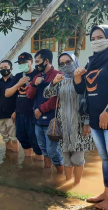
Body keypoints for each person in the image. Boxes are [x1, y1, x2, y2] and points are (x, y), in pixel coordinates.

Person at [44, 52, 94, 185]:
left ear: (75, 61)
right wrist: (53, 82)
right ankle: (67, 184)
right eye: (61, 64)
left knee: (78, 158)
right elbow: (46, 94)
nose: (65, 65)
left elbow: (89, 101)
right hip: (63, 124)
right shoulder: (60, 81)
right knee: (65, 158)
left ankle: (76, 185)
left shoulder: (84, 79)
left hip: (79, 123)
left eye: (68, 62)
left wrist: (87, 122)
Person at [74, 25, 108, 209]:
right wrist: (78, 77)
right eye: (93, 38)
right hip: (96, 119)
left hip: (107, 117)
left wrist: (107, 111)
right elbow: (81, 90)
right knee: (105, 158)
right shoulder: (91, 62)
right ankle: (106, 193)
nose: (96, 41)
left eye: (100, 37)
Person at [26, 49, 64, 173]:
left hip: (52, 120)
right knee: (43, 148)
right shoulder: (37, 76)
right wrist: (34, 85)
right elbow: (29, 96)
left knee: (53, 150)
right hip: (38, 120)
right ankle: (47, 175)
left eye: (37, 61)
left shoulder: (57, 75)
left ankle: (61, 176)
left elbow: (57, 98)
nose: (36, 64)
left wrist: (41, 109)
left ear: (46, 61)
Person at [5, 52, 43, 159]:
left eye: (24, 62)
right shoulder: (18, 76)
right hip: (20, 113)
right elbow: (7, 93)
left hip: (33, 113)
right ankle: (28, 166)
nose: (22, 64)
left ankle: (41, 168)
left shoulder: (38, 75)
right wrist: (18, 84)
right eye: (20, 63)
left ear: (31, 61)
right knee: (23, 139)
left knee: (35, 141)